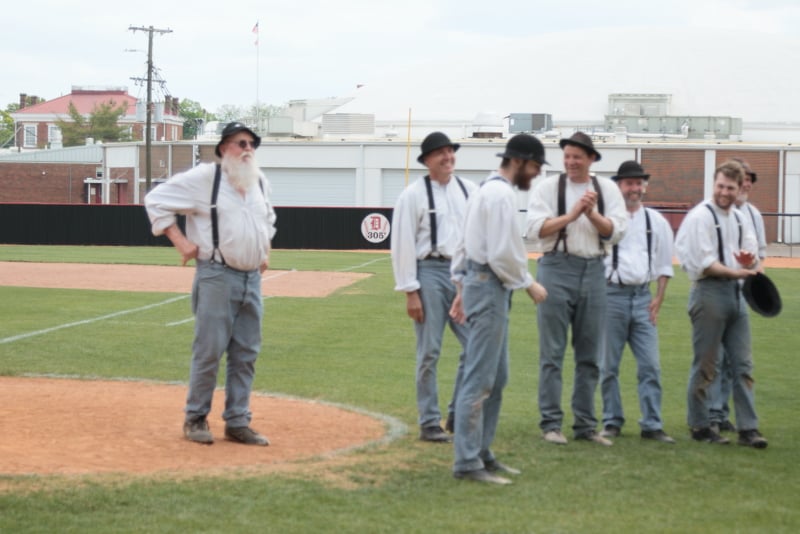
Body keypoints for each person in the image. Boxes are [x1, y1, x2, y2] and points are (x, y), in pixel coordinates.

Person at [145, 122, 277, 446]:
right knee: (209, 350)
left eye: (251, 144)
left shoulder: (259, 181)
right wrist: (179, 240)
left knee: (246, 352)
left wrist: (264, 250)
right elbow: (155, 200)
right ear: (223, 149)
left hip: (251, 279)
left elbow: (268, 219)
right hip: (217, 275)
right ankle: (195, 418)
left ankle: (237, 421)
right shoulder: (206, 179)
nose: (247, 149)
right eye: (239, 143)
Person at [450, 133, 548, 485]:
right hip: (490, 284)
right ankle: (466, 461)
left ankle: (480, 451)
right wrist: (528, 283)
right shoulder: (501, 194)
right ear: (520, 161)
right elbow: (503, 253)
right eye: (535, 165)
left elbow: (462, 244)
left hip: (481, 283)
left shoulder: (483, 190)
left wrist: (461, 286)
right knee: (479, 379)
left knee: (497, 376)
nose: (535, 174)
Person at [526, 131, 627, 446]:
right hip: (555, 267)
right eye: (567, 156)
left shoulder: (607, 188)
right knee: (552, 353)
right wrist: (571, 216)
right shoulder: (548, 187)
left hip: (594, 270)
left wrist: (592, 214)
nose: (570, 162)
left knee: (589, 355)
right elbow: (533, 230)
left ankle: (585, 425)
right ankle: (551, 424)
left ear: (591, 159)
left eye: (577, 157)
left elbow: (617, 232)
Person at [674, 160, 768, 448]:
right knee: (706, 364)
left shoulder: (740, 218)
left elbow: (751, 252)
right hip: (709, 291)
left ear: (740, 188)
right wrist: (739, 270)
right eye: (720, 186)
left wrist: (747, 261)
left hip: (735, 293)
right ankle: (701, 425)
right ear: (713, 184)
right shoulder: (700, 217)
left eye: (730, 187)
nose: (724, 192)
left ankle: (748, 428)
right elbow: (705, 264)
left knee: (743, 363)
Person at [390, 132, 477, 442]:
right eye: (440, 153)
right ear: (427, 160)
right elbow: (401, 243)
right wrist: (410, 291)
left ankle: (457, 412)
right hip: (429, 271)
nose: (447, 157)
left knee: (475, 347)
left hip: (463, 274)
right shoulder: (412, 195)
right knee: (429, 351)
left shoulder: (470, 190)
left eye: (450, 151)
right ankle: (429, 422)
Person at [599, 161, 675, 444]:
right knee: (608, 366)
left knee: (651, 365)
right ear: (619, 186)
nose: (634, 188)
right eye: (629, 183)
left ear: (644, 186)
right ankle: (611, 420)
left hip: (643, 297)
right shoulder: (605, 219)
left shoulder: (655, 222)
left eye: (638, 183)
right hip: (611, 296)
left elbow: (664, 264)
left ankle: (652, 423)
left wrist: (659, 298)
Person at [709, 158, 766, 433]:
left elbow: (760, 255)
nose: (746, 183)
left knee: (738, 360)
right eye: (743, 178)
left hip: (742, 293)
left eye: (749, 179)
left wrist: (755, 276)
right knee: (716, 358)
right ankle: (715, 414)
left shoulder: (752, 214)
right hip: (717, 289)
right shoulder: (712, 213)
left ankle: (728, 416)